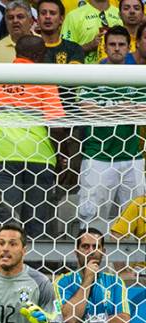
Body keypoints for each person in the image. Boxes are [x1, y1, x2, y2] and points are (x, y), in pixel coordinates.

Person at [0, 35, 66, 238]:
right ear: (40, 55)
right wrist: (63, 155)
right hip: (38, 156)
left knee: (8, 221)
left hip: (2, 154)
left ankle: (6, 267)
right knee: (37, 221)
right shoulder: (43, 79)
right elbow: (56, 125)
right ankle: (36, 267)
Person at [77, 26, 144, 232]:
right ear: (105, 48)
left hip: (132, 156)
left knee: (136, 220)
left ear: (129, 46)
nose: (117, 49)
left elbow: (142, 112)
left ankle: (135, 265)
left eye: (121, 45)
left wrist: (105, 110)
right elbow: (86, 111)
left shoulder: (138, 76)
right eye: (112, 45)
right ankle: (91, 264)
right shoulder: (92, 75)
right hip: (98, 157)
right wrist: (124, 108)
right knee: (92, 220)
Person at [55, 228, 130, 323]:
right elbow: (69, 319)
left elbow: (123, 320)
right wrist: (88, 279)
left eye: (96, 246)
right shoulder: (62, 282)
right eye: (85, 246)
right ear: (76, 252)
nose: (91, 251)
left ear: (103, 251)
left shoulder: (115, 282)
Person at [37, 0, 84, 64]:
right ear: (38, 20)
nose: (47, 17)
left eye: (52, 13)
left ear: (61, 19)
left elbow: (73, 73)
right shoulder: (30, 48)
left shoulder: (74, 49)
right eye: (43, 13)